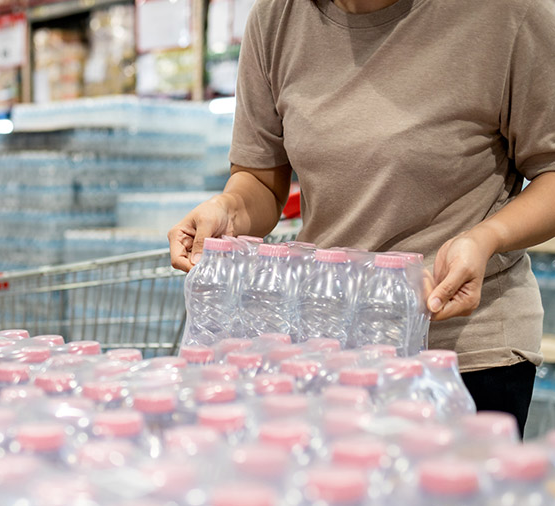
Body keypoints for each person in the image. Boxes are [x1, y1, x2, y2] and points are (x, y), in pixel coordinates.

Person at [168, 0, 555, 434]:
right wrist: (227, 210)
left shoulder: (508, 15)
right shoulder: (278, 17)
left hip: (457, 358)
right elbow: (259, 181)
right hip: (327, 355)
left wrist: (487, 237)